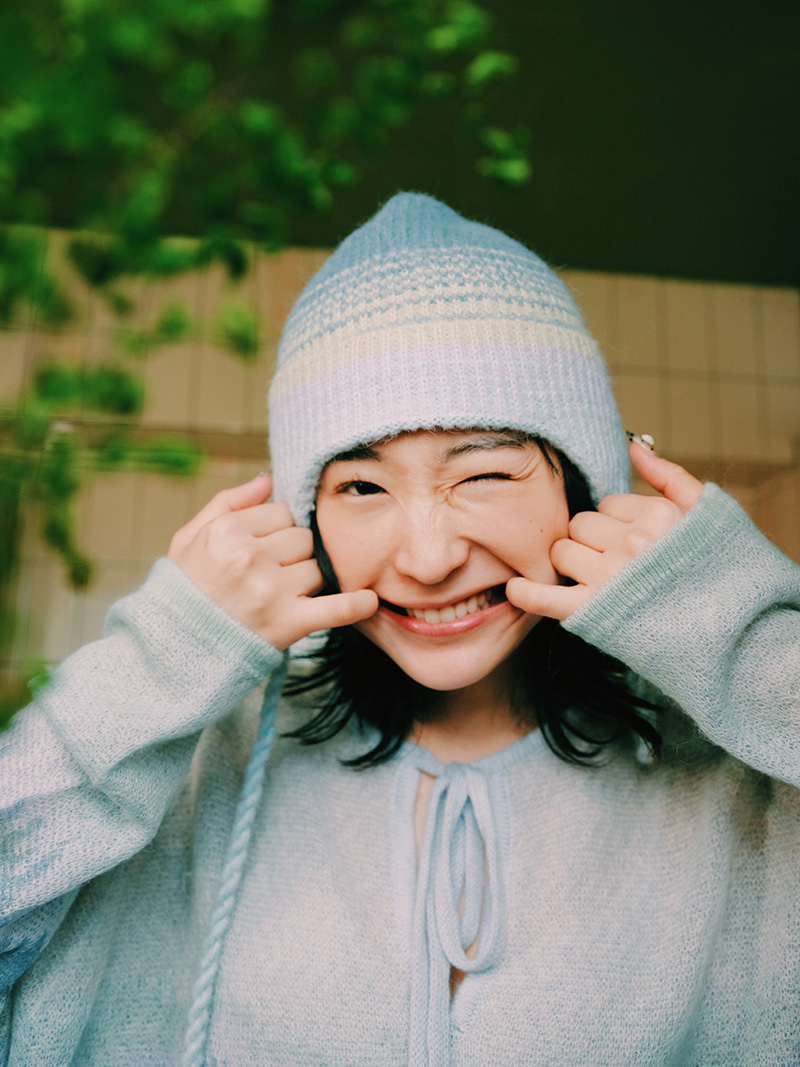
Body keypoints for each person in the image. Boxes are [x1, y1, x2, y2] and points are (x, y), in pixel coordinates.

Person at [2, 192, 799, 1067]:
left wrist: (743, 636)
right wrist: (160, 660)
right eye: (361, 488)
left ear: (584, 488)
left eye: (486, 473)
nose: (425, 557)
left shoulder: (743, 775)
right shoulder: (195, 762)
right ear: (303, 520)